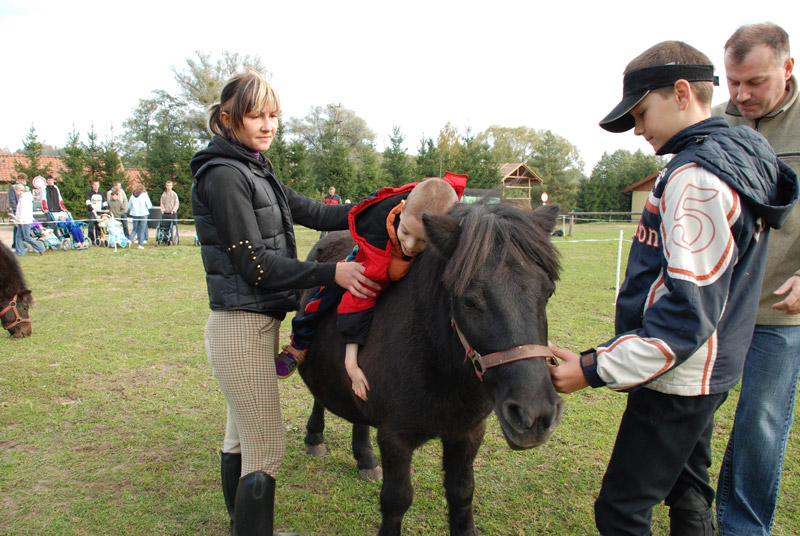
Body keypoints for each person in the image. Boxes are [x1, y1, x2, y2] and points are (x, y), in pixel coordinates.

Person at [547, 40, 798, 536]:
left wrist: (593, 367)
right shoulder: (732, 153)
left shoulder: (697, 177)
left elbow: (684, 319)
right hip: (706, 370)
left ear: (682, 93)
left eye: (641, 112)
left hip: (677, 379)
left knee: (621, 511)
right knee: (687, 490)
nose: (638, 129)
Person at [190, 69, 377, 536]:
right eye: (257, 115)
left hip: (253, 323)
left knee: (239, 437)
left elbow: (317, 212)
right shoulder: (225, 176)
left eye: (274, 115)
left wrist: (383, 205)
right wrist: (329, 272)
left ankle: (244, 529)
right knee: (267, 447)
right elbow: (258, 265)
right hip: (239, 328)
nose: (268, 124)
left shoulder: (254, 167)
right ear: (230, 118)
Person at [712, 22, 800, 536]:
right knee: (688, 413)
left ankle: (743, 529)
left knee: (760, 428)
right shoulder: (717, 121)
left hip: (777, 309)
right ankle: (692, 512)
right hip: (715, 305)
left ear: (788, 70)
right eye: (732, 82)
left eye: (755, 82)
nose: (741, 95)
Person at [275, 173, 467, 402]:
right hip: (374, 259)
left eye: (423, 241)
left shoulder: (444, 210)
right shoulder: (377, 247)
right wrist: (351, 362)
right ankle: (300, 342)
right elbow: (357, 303)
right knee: (324, 296)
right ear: (401, 210)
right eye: (405, 232)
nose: (410, 246)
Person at [12, 184, 45, 256]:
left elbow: (23, 211)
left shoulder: (24, 199)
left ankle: (40, 248)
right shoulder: (22, 198)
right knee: (18, 237)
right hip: (23, 220)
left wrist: (21, 221)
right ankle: (20, 253)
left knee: (26, 237)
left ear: (19, 190)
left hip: (25, 221)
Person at [128, 184, 152, 249]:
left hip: (135, 214)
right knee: (142, 229)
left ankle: (129, 240)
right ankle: (140, 245)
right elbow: (149, 205)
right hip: (143, 213)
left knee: (134, 229)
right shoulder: (144, 195)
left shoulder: (132, 196)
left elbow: (129, 206)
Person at [8, 172, 27, 250]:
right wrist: (15, 208)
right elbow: (12, 199)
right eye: (21, 180)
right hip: (17, 209)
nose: (22, 181)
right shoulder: (13, 188)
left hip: (24, 210)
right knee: (17, 228)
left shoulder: (26, 188)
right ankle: (15, 245)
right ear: (18, 180)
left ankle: (23, 244)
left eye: (23, 180)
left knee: (24, 228)